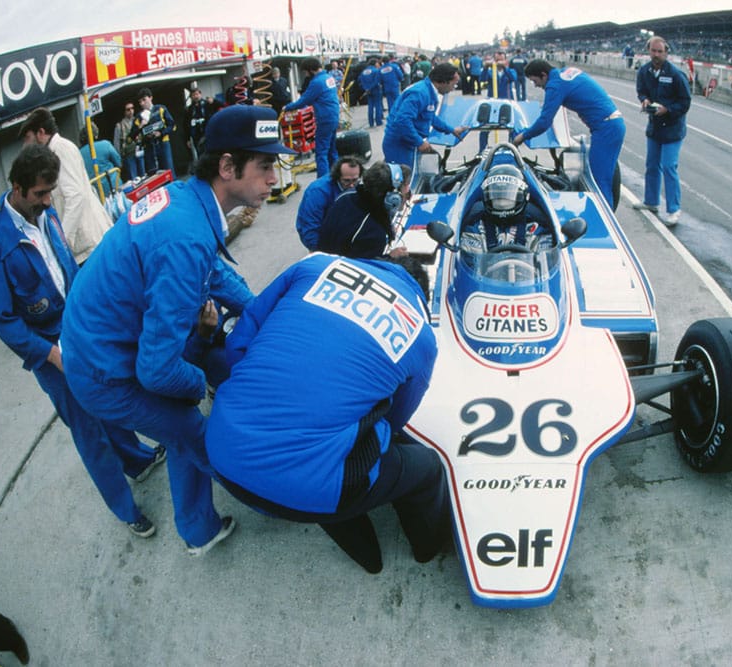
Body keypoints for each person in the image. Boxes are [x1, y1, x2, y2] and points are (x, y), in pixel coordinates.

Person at [60, 105, 295, 556]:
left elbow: (213, 272)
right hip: (103, 374)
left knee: (180, 427)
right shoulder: (184, 236)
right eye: (265, 166)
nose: (274, 178)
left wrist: (260, 312)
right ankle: (269, 499)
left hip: (106, 345)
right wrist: (201, 385)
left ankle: (196, 528)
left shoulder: (190, 202)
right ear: (227, 167)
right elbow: (156, 371)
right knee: (195, 429)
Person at [205, 253, 446, 574]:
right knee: (426, 468)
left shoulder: (313, 266)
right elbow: (397, 419)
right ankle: (428, 548)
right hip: (311, 483)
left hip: (222, 452)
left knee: (325, 446)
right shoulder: (421, 332)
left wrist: (266, 395)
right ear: (422, 295)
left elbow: (240, 338)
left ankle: (367, 555)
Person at [0, 144, 165, 537]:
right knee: (88, 430)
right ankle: (125, 509)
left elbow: (66, 269)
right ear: (17, 188)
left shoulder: (46, 215)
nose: (48, 201)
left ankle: (137, 461)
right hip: (48, 350)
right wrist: (49, 354)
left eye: (51, 192)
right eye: (41, 194)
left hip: (80, 330)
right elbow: (4, 320)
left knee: (113, 400)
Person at [512, 60, 626, 210]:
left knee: (599, 182)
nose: (536, 85)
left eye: (535, 81)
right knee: (602, 178)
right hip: (611, 124)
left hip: (606, 129)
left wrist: (523, 136)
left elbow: (544, 121)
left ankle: (605, 222)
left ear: (544, 75)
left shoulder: (554, 85)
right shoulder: (567, 72)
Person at [18, 108, 113, 265]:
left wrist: (63, 243)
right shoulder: (53, 153)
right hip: (85, 247)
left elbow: (76, 196)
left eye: (28, 138)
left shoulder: (61, 149)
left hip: (89, 245)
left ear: (41, 133)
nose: (25, 145)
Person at [636, 36, 691, 226]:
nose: (657, 55)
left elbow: (685, 102)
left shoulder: (676, 75)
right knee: (652, 165)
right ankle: (651, 202)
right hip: (655, 129)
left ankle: (674, 209)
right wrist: (644, 100)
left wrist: (667, 109)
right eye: (653, 51)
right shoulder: (644, 71)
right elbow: (641, 91)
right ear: (649, 51)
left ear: (666, 53)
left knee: (668, 166)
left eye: (660, 52)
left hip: (673, 130)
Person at [317, 161, 410, 259]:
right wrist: (390, 257)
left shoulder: (346, 195)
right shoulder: (374, 234)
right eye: (405, 194)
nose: (406, 198)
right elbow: (367, 268)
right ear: (392, 198)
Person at [382, 63, 468, 169]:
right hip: (399, 145)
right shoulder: (420, 93)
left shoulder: (429, 91)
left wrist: (451, 130)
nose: (453, 89)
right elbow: (402, 120)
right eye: (453, 85)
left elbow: (430, 116)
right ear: (444, 81)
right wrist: (419, 142)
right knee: (403, 180)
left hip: (410, 142)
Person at [459, 163, 553, 254]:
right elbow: (469, 265)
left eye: (508, 197)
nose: (502, 204)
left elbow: (545, 265)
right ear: (485, 196)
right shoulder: (474, 230)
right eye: (496, 197)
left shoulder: (536, 230)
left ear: (525, 196)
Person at [285, 57, 340, 178]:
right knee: (332, 150)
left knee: (321, 152)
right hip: (334, 116)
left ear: (311, 70)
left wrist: (287, 107)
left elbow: (305, 100)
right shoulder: (328, 77)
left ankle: (323, 181)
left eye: (305, 71)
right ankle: (337, 176)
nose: (305, 74)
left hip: (325, 119)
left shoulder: (316, 82)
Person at [295, 155, 363, 250]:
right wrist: (321, 252)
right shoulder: (318, 192)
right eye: (346, 181)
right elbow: (310, 228)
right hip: (319, 231)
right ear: (337, 177)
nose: (352, 185)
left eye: (355, 180)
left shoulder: (359, 184)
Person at [130, 87, 176, 176]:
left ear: (150, 98)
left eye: (144, 100)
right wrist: (140, 126)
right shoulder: (139, 117)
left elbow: (172, 125)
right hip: (149, 148)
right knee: (154, 175)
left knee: (169, 172)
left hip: (163, 144)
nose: (142, 103)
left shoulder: (160, 109)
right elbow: (132, 136)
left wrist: (161, 133)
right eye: (140, 102)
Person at [78, 125, 123, 196]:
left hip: (95, 193)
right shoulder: (105, 144)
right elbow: (119, 163)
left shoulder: (78, 154)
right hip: (115, 186)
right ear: (96, 135)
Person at [113, 102, 143, 181]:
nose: (131, 111)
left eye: (132, 108)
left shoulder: (138, 120)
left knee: (144, 176)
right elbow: (116, 144)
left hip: (140, 151)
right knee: (134, 180)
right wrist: (119, 160)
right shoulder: (120, 126)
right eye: (128, 109)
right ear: (124, 112)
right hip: (129, 155)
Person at [185, 86, 213, 163]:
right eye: (193, 95)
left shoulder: (207, 104)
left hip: (207, 133)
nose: (195, 96)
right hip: (196, 136)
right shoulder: (190, 109)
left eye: (197, 94)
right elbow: (186, 124)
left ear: (200, 94)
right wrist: (187, 139)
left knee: (211, 152)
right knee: (201, 154)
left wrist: (213, 101)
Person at [359, 57, 384, 128]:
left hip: (367, 91)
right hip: (376, 90)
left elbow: (360, 81)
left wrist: (366, 89)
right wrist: (371, 88)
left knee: (370, 106)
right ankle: (378, 121)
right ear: (375, 63)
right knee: (378, 106)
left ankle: (371, 122)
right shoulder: (376, 71)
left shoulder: (363, 71)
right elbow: (377, 81)